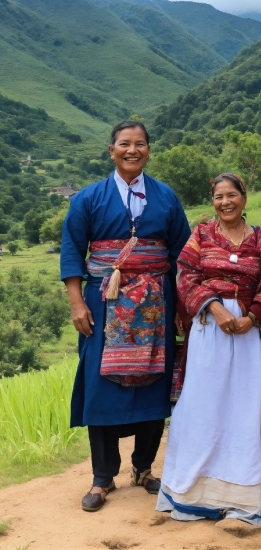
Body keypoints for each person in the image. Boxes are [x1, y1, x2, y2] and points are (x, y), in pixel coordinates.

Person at [61, 120, 190, 512]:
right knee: (102, 386)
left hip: (157, 306)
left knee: (154, 382)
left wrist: (182, 308)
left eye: (140, 144)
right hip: (103, 303)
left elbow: (183, 255)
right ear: (111, 149)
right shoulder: (88, 199)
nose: (132, 150)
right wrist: (76, 303)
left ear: (149, 149)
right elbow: (71, 250)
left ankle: (144, 468)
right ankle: (103, 479)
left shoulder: (166, 197)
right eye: (124, 144)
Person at [156, 173, 261, 524]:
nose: (226, 202)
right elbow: (184, 274)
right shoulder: (200, 235)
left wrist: (255, 317)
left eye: (232, 195)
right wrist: (214, 307)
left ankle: (246, 496)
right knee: (203, 406)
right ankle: (195, 494)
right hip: (208, 333)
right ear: (212, 201)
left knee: (245, 409)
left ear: (244, 197)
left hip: (249, 339)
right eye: (219, 196)